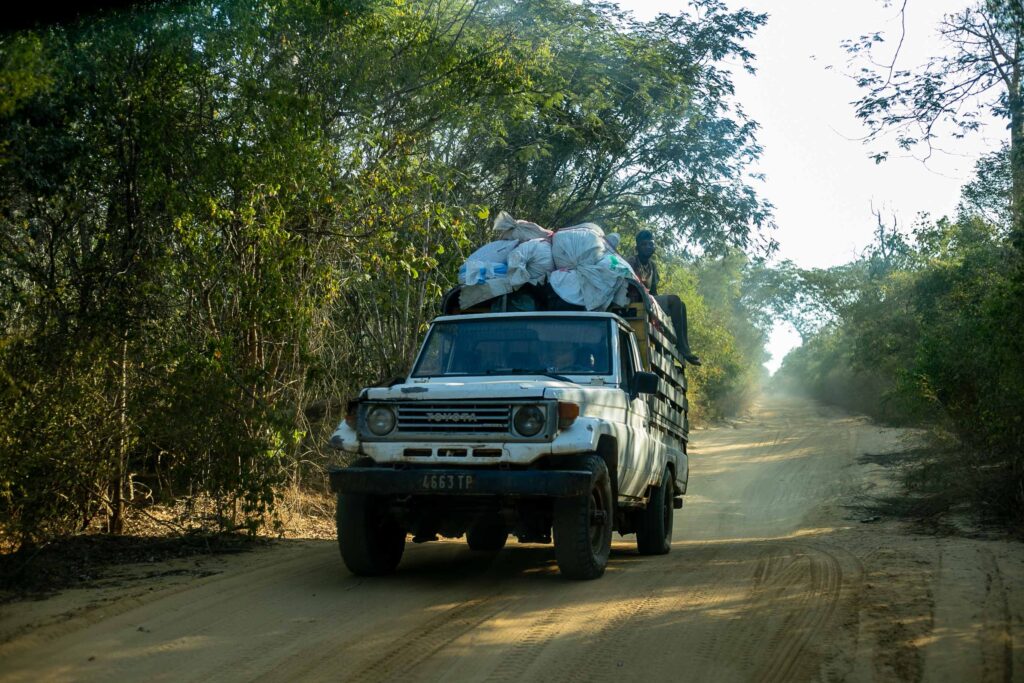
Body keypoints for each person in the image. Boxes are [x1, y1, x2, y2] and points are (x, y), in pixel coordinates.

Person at [628, 230, 701, 366]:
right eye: (644, 244)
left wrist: (658, 313)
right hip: (637, 300)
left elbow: (654, 291)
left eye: (651, 244)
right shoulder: (632, 262)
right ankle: (682, 346)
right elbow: (629, 285)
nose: (648, 247)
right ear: (637, 248)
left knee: (681, 305)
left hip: (649, 300)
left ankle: (683, 344)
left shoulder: (652, 266)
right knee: (674, 299)